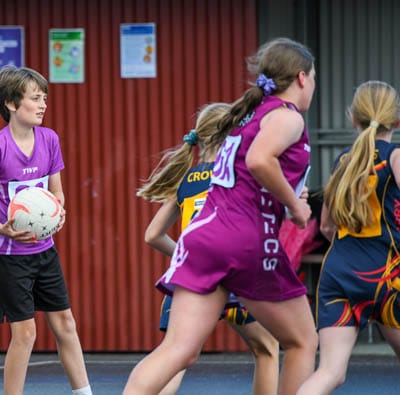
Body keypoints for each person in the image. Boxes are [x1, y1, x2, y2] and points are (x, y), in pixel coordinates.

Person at [124, 37, 318, 395]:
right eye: (314, 77)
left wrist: (285, 196)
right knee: (302, 341)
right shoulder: (286, 117)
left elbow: (251, 174)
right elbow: (259, 161)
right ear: (302, 78)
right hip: (245, 241)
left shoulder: (249, 118)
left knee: (178, 350)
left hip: (202, 238)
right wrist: (294, 205)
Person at [137, 102, 279, 395]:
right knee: (267, 348)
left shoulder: (187, 180)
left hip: (192, 275)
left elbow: (152, 235)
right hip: (233, 275)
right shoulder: (237, 175)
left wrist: (189, 255)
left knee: (176, 358)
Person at [0, 66, 92, 395]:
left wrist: (58, 212)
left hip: (44, 250)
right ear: (11, 103)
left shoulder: (49, 140)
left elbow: (57, 192)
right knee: (25, 334)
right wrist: (3, 228)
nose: (43, 105)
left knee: (65, 324)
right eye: (35, 98)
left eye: (44, 99)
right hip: (9, 256)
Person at [297, 81, 400, 395]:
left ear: (353, 118)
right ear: (396, 121)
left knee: (330, 372)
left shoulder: (344, 160)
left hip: (339, 272)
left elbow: (326, 227)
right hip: (387, 274)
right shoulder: (395, 156)